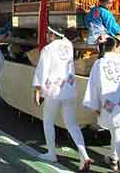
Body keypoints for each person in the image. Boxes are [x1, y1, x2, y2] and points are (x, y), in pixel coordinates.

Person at [32, 26, 92, 171]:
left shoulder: (48, 49)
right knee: (72, 124)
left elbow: (42, 70)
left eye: (48, 33)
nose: (46, 35)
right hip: (69, 89)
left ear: (53, 34)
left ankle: (52, 153)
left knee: (48, 122)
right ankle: (84, 155)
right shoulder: (68, 45)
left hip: (53, 90)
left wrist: (37, 89)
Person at [83, 37, 120, 173]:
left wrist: (96, 106)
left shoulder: (99, 64)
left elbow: (94, 86)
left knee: (117, 135)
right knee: (116, 132)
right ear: (115, 47)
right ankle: (114, 159)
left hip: (108, 104)